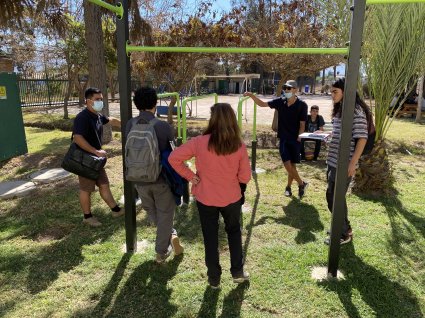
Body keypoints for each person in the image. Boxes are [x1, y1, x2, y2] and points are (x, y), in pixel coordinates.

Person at [168, 103, 251, 289]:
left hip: (205, 197)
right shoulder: (239, 145)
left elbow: (173, 158)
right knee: (234, 232)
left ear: (212, 119)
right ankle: (237, 272)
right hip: (232, 197)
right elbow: (245, 176)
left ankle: (214, 278)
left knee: (210, 237)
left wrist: (191, 177)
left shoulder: (199, 142)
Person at [126, 86, 183, 264]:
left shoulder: (130, 124)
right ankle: (161, 252)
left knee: (151, 211)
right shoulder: (162, 126)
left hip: (138, 179)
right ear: (155, 103)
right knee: (165, 214)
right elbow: (174, 153)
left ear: (136, 104)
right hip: (160, 179)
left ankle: (169, 234)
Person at [244, 80, 309, 199]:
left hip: (295, 139)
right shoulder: (280, 101)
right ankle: (301, 183)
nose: (286, 90)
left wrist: (300, 137)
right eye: (285, 88)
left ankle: (288, 188)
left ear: (295, 90)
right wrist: (252, 96)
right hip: (284, 138)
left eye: (289, 88)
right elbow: (263, 104)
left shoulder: (302, 105)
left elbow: (302, 124)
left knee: (292, 166)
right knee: (287, 165)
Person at [325, 78, 369, 245]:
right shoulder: (339, 109)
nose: (332, 95)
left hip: (344, 164)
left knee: (334, 197)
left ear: (345, 92)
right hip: (333, 160)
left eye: (335, 91)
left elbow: (362, 138)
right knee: (333, 196)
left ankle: (343, 233)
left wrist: (352, 163)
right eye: (331, 92)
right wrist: (331, 137)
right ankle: (343, 227)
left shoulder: (355, 110)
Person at [72, 87, 124, 227]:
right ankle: (87, 217)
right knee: (86, 189)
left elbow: (110, 120)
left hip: (96, 160)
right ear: (88, 101)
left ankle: (116, 210)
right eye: (97, 99)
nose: (100, 102)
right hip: (85, 160)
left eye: (101, 99)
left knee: (104, 184)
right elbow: (77, 138)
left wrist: (125, 123)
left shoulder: (97, 116)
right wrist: (95, 151)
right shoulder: (82, 118)